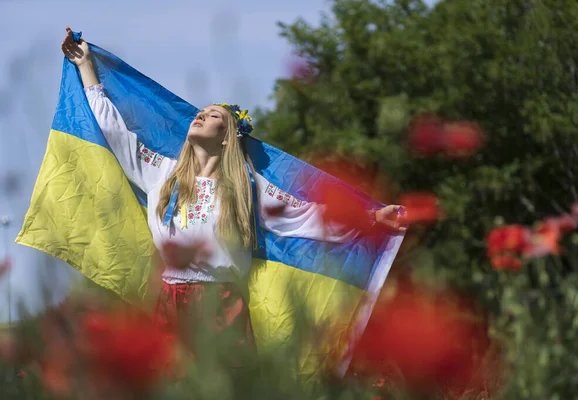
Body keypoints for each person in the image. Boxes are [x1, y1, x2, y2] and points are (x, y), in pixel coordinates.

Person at [60, 26, 406, 355]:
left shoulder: (247, 188)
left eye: (213, 117)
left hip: (221, 302)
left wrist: (372, 217)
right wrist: (86, 65)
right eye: (201, 113)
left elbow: (306, 217)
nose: (201, 117)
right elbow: (115, 131)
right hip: (170, 299)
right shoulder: (162, 174)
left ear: (227, 136)